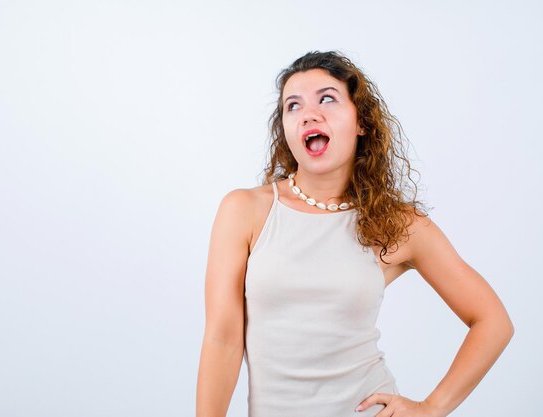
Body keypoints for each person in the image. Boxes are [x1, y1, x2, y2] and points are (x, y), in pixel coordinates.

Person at [195, 50, 514, 417]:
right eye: (293, 105)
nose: (309, 113)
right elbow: (222, 339)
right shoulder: (245, 210)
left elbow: (493, 321)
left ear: (361, 121)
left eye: (327, 99)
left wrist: (431, 407)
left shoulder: (397, 224)